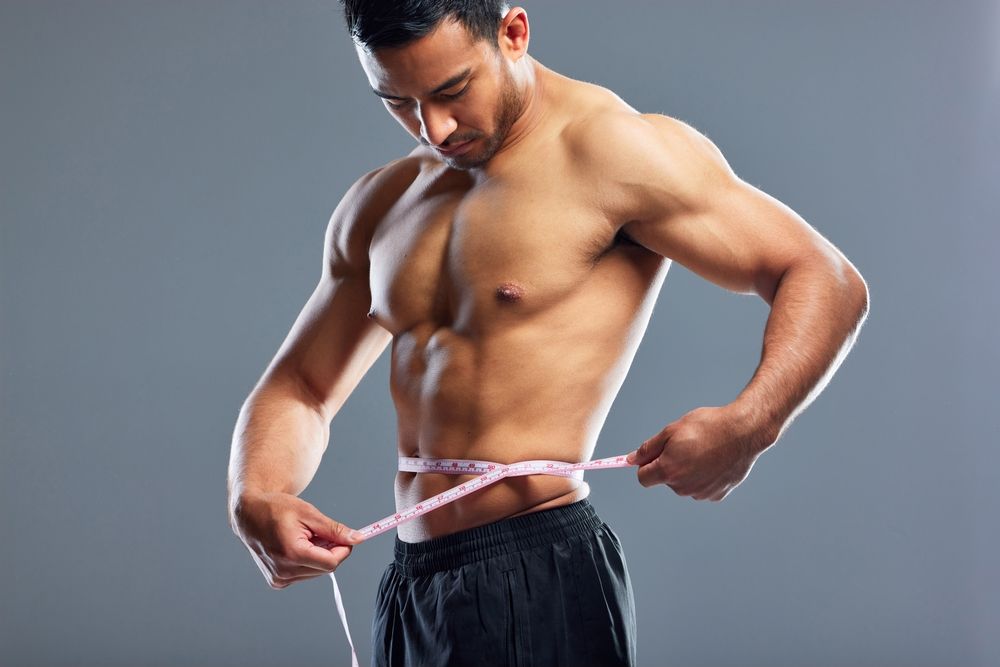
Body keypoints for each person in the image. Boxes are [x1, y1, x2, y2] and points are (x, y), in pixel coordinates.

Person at [227, 2, 871, 666]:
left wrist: (749, 426)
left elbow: (826, 277)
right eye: (400, 103)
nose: (433, 128)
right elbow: (301, 386)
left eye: (451, 92)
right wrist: (258, 492)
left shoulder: (611, 151)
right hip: (412, 583)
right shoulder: (383, 202)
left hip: (538, 572)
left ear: (512, 33)